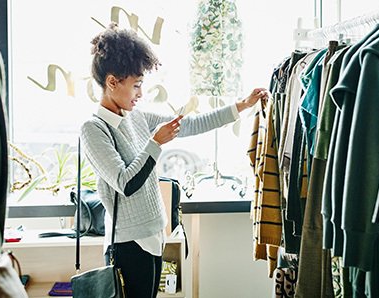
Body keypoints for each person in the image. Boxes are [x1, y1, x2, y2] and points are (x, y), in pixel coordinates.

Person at [80, 22, 268, 297]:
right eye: (136, 85)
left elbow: (190, 124)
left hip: (155, 236)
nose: (140, 93)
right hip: (128, 244)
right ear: (112, 82)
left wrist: (241, 105)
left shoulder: (137, 118)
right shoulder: (94, 129)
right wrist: (155, 142)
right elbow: (125, 182)